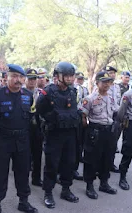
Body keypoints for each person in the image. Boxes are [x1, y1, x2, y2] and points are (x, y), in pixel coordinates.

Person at [0, 64, 38, 213]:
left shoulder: (28, 96)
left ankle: (23, 202)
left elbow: (31, 118)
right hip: (2, 140)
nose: (18, 80)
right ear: (7, 78)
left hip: (22, 140)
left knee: (23, 172)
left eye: (21, 77)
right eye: (14, 76)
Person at [37, 62, 80, 209]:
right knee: (52, 164)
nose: (70, 79)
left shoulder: (73, 92)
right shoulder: (47, 92)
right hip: (54, 134)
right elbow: (39, 111)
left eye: (71, 76)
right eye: (66, 76)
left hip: (70, 133)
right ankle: (48, 193)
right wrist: (49, 121)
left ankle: (66, 190)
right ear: (58, 76)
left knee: (69, 163)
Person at [81, 71, 118, 199]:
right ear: (97, 83)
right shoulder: (90, 99)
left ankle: (104, 183)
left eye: (109, 82)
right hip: (95, 131)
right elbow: (83, 117)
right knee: (92, 159)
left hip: (109, 131)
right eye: (104, 82)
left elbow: (115, 113)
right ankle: (89, 185)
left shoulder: (111, 98)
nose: (107, 84)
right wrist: (89, 131)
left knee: (107, 158)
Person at [25, 68, 43, 187]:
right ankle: (23, 180)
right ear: (25, 79)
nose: (32, 81)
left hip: (38, 125)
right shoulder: (19, 92)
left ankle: (36, 178)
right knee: (24, 155)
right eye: (30, 79)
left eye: (34, 79)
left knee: (37, 154)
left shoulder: (41, 93)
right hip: (24, 125)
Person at [104, 66, 122, 172]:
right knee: (104, 142)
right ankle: (101, 164)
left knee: (113, 142)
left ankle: (110, 163)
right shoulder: (103, 86)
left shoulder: (117, 87)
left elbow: (118, 102)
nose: (112, 75)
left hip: (115, 116)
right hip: (106, 115)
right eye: (110, 73)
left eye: (113, 73)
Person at [73, 71, 89, 180]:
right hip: (73, 117)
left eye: (81, 79)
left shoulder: (85, 89)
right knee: (72, 145)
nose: (80, 81)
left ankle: (75, 168)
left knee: (80, 143)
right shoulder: (72, 89)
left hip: (81, 117)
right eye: (78, 79)